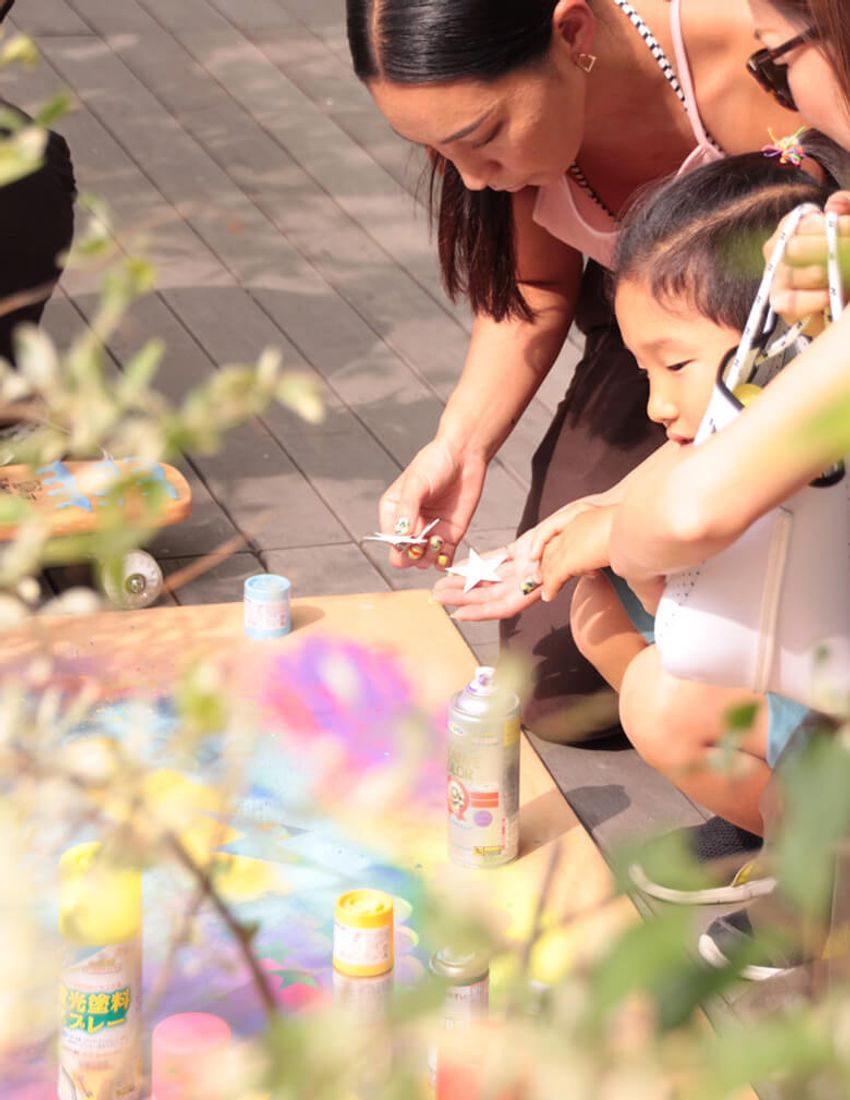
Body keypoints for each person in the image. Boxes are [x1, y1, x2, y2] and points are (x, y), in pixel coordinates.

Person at [346, 0, 799, 739]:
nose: (475, 180)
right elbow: (536, 288)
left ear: (572, 34)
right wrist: (460, 446)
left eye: (483, 138)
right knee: (557, 689)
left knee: (745, 584)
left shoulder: (762, 58)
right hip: (657, 354)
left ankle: (772, 760)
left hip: (804, 352)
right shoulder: (508, 154)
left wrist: (620, 510)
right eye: (439, 153)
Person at [435, 153, 836, 861]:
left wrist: (619, 538)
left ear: (776, 347)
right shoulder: (742, 440)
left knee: (648, 683)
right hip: (786, 693)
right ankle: (770, 818)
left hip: (822, 717)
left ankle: (806, 870)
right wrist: (589, 536)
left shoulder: (808, 463)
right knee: (594, 614)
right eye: (643, 370)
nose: (655, 404)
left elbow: (694, 553)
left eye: (675, 365)